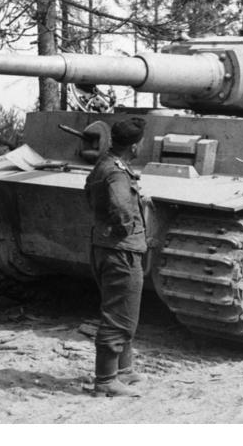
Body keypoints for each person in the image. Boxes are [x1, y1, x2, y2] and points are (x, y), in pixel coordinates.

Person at [83, 117, 148, 398]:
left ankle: (124, 370)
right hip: (121, 251)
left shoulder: (105, 164)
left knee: (125, 310)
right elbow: (121, 206)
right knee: (119, 315)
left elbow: (88, 194)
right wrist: (127, 229)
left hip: (107, 246)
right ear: (134, 147)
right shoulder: (117, 173)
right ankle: (106, 380)